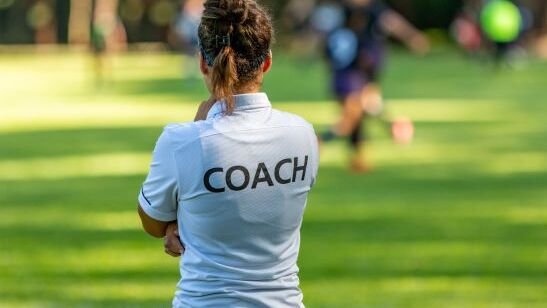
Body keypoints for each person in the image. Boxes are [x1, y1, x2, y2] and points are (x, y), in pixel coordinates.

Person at [137, 0, 319, 307]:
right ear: (267, 62)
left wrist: (175, 223)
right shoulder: (302, 134)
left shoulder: (180, 141)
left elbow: (153, 222)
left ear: (203, 63)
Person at [319, 0, 428, 173]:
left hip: (345, 77)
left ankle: (358, 160)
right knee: (350, 120)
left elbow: (325, 48)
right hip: (353, 77)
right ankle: (315, 142)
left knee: (359, 117)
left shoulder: (341, 17)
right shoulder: (365, 22)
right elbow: (392, 25)